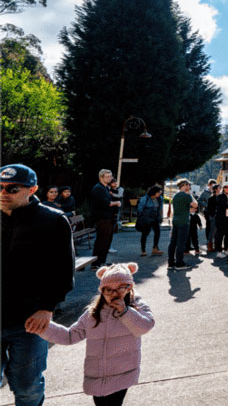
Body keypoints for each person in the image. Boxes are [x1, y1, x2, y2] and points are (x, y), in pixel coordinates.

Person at [1, 163, 75, 406]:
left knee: (27, 386)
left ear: (32, 189)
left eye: (12, 188)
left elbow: (63, 272)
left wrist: (47, 308)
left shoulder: (53, 221)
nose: (4, 193)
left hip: (30, 321)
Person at [30, 263, 154, 406]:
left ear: (129, 287)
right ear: (102, 290)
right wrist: (43, 327)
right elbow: (70, 336)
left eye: (120, 288)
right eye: (108, 290)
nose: (114, 294)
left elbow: (145, 326)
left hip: (122, 374)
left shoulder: (136, 305)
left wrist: (125, 312)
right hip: (96, 376)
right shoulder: (93, 313)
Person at [90, 169, 121, 269]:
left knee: (106, 241)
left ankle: (102, 261)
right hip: (102, 219)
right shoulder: (98, 188)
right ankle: (95, 263)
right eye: (107, 176)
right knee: (101, 241)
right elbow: (106, 203)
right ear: (101, 177)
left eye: (110, 176)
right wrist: (117, 203)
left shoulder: (106, 188)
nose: (110, 178)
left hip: (108, 218)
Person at [167, 179, 197, 271]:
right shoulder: (186, 195)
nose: (189, 187)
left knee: (173, 243)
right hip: (183, 222)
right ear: (185, 185)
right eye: (188, 185)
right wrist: (190, 194)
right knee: (181, 243)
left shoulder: (175, 196)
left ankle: (171, 263)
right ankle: (179, 263)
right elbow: (195, 205)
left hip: (175, 221)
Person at [137, 185, 164, 257]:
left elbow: (160, 208)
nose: (160, 194)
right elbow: (140, 209)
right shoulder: (145, 199)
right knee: (145, 233)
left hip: (155, 218)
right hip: (147, 219)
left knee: (157, 232)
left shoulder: (160, 199)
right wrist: (142, 218)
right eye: (158, 192)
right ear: (154, 192)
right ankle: (143, 250)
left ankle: (155, 248)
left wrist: (161, 217)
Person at [214, 183, 228, 258]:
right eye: (225, 187)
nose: (227, 188)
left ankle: (225, 249)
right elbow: (224, 205)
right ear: (223, 188)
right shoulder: (220, 196)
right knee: (220, 235)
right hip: (221, 219)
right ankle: (219, 251)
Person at [197, 179, 216, 251]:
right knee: (209, 226)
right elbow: (199, 200)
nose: (213, 186)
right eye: (212, 185)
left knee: (215, 227)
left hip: (215, 212)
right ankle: (209, 242)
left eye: (214, 185)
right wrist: (206, 204)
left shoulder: (216, 192)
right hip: (207, 211)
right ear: (209, 185)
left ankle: (214, 242)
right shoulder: (205, 192)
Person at [205, 184, 219, 254]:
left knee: (217, 232)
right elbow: (210, 208)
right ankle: (209, 246)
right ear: (216, 189)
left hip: (218, 216)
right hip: (213, 216)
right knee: (212, 231)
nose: (221, 188)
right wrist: (212, 215)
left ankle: (216, 246)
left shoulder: (220, 197)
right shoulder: (211, 198)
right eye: (219, 188)